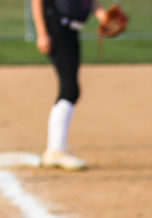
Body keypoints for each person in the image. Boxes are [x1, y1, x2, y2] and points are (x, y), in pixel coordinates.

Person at [31, 0, 116, 170]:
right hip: (56, 28)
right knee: (70, 89)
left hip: (70, 31)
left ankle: (56, 149)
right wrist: (42, 33)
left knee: (70, 89)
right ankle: (55, 151)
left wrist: (103, 16)